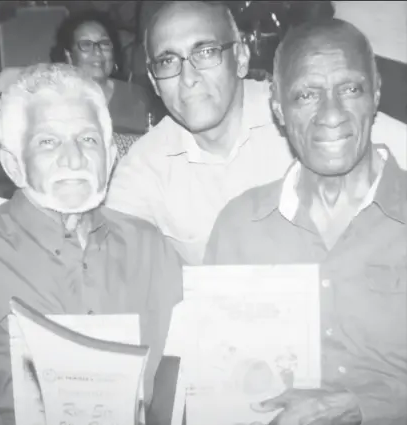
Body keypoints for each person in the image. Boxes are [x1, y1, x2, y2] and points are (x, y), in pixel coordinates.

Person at [0, 64, 182, 425]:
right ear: (13, 165)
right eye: (48, 142)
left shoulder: (150, 248)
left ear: (111, 156)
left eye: (87, 140)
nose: (73, 158)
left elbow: (174, 372)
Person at [205, 19, 406, 425]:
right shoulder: (238, 228)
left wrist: (364, 406)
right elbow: (214, 377)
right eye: (306, 95)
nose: (331, 114)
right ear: (278, 108)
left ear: (376, 93)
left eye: (350, 89)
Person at [105, 0, 406, 266]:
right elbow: (108, 263)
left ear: (242, 58)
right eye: (168, 61)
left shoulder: (305, 110)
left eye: (207, 52)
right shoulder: (145, 168)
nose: (188, 78)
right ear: (155, 83)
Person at [51, 9, 152, 136]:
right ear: (69, 56)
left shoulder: (139, 98)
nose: (98, 52)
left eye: (104, 43)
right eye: (86, 45)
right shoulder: (55, 101)